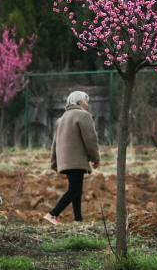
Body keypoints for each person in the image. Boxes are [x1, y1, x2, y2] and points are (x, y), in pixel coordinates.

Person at [44, 91, 100, 224]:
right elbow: (90, 139)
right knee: (74, 190)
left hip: (65, 161)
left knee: (76, 190)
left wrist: (54, 163)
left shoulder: (61, 119)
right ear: (79, 102)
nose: (87, 104)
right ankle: (52, 214)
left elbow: (55, 143)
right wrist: (95, 158)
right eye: (86, 101)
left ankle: (78, 219)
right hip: (77, 160)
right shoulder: (83, 116)